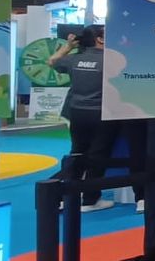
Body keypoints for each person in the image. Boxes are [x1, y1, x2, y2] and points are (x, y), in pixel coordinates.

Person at [49, 26, 115, 212]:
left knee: (77, 152)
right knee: (98, 156)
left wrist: (67, 47)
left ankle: (67, 194)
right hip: (101, 113)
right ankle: (90, 199)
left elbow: (52, 61)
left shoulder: (74, 59)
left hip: (77, 113)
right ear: (100, 39)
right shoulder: (110, 61)